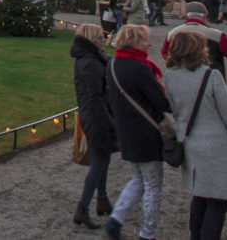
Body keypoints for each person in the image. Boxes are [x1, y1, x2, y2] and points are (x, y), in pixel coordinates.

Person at [164, 30, 227, 240]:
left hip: (190, 142)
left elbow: (174, 113)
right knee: (217, 201)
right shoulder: (211, 76)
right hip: (215, 146)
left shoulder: (170, 76)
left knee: (200, 197)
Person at [104, 24, 170, 240]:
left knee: (138, 180)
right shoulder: (139, 68)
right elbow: (160, 102)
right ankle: (147, 232)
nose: (148, 44)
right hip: (146, 132)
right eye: (144, 40)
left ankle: (116, 219)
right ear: (133, 41)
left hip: (125, 129)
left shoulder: (113, 64)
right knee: (152, 185)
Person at [71, 23, 118, 229]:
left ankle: (102, 199)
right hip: (96, 115)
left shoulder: (94, 59)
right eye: (99, 37)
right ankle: (82, 208)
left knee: (103, 158)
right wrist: (108, 121)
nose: (103, 40)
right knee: (98, 161)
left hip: (96, 112)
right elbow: (95, 96)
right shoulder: (89, 63)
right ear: (91, 39)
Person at [162, 2, 227, 81]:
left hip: (180, 78)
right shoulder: (216, 35)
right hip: (210, 79)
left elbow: (165, 54)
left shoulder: (173, 33)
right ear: (205, 16)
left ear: (187, 16)